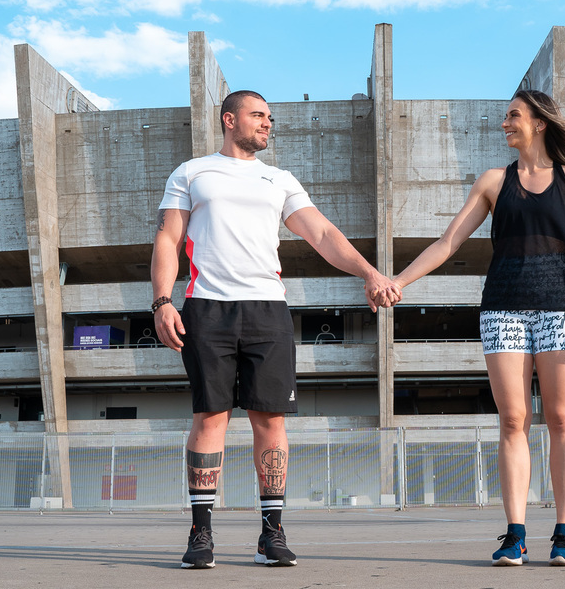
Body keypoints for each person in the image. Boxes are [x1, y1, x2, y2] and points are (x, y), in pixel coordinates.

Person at [152, 90, 399, 569]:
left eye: (269, 117)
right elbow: (169, 236)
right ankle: (201, 534)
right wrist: (162, 300)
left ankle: (272, 532)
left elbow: (323, 233)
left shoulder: (278, 179)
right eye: (258, 115)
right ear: (230, 119)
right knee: (210, 418)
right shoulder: (191, 172)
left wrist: (369, 272)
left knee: (271, 420)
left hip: (268, 311)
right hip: (207, 309)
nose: (267, 123)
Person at [386, 89, 565, 567]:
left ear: (539, 122)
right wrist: (398, 281)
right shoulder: (494, 182)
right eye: (506, 117)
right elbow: (448, 241)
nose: (505, 124)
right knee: (513, 420)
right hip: (502, 310)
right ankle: (515, 534)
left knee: (561, 418)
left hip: (562, 309)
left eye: (513, 116)